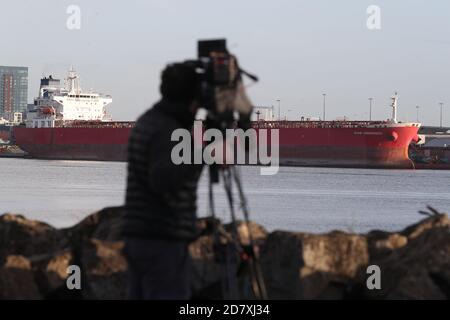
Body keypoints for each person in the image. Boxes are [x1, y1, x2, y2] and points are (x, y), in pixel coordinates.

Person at [122, 63, 204, 300]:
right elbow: (163, 180)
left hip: (138, 237)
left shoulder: (148, 120)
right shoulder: (168, 128)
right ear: (193, 95)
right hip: (162, 241)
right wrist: (205, 155)